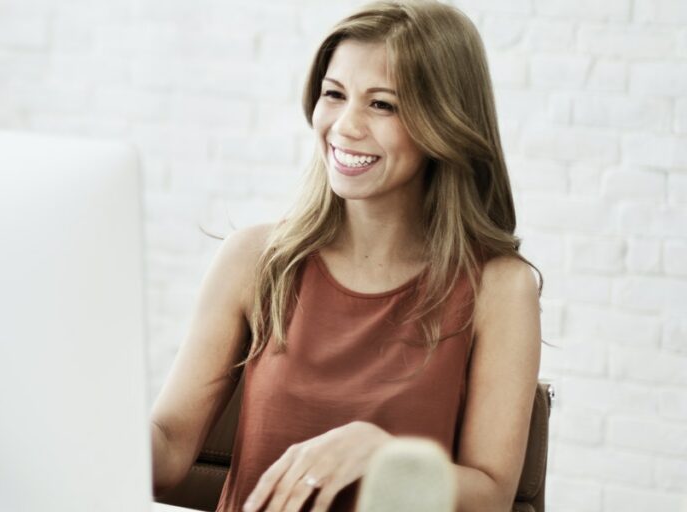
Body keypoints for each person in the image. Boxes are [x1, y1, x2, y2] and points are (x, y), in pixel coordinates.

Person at [149, 1, 543, 511]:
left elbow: (491, 498)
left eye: (382, 105)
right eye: (334, 95)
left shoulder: (498, 288)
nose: (345, 126)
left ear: (443, 121)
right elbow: (170, 452)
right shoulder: (253, 260)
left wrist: (387, 459)